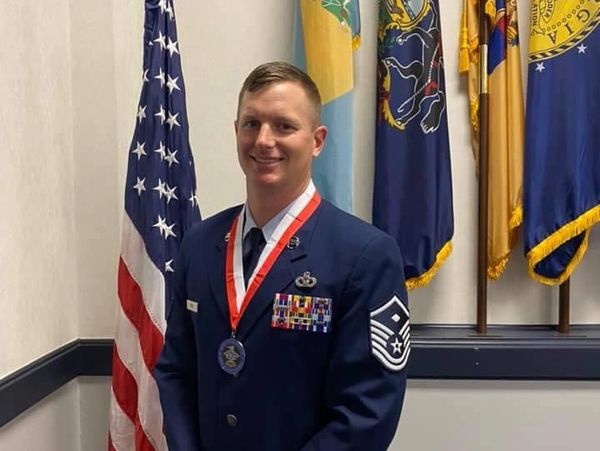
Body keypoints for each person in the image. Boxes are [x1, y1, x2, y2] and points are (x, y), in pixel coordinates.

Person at [155, 61, 411, 451]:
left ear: (318, 140)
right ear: (236, 131)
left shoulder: (365, 256)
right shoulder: (199, 244)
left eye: (284, 126)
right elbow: (176, 370)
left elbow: (367, 413)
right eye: (251, 123)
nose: (263, 140)